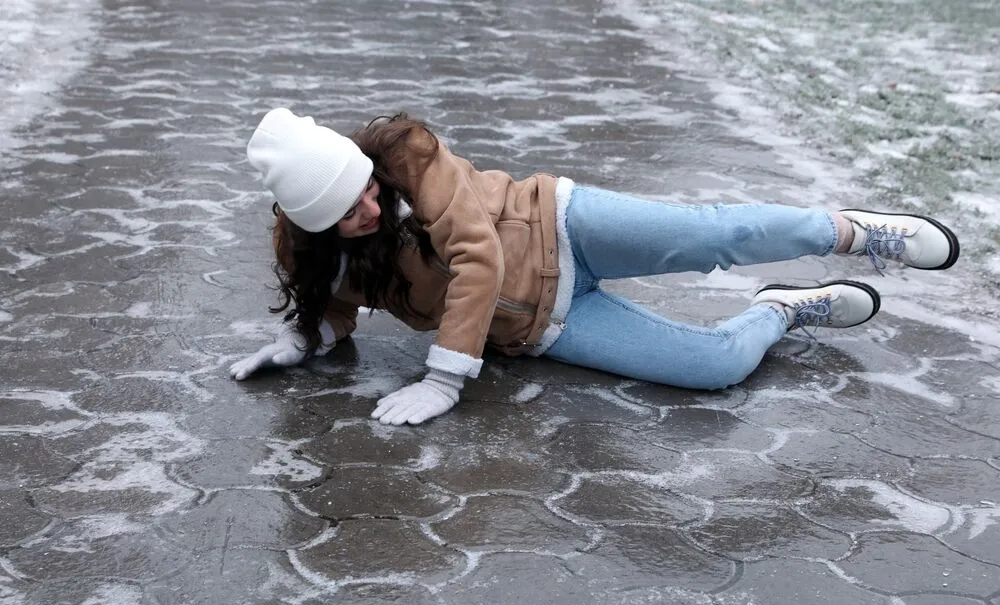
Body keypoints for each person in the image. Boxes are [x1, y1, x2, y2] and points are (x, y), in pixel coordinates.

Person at [230, 108, 961, 425]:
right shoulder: (307, 245)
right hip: (542, 325)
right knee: (711, 370)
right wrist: (303, 339)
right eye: (344, 208)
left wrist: (445, 376)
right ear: (311, 222)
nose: (365, 203)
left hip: (562, 222)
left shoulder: (407, 154)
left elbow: (478, 255)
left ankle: (851, 232)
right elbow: (334, 305)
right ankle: (783, 309)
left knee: (708, 237)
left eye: (361, 183)